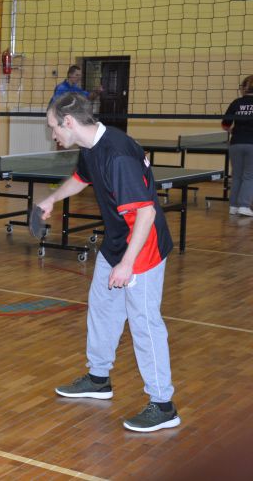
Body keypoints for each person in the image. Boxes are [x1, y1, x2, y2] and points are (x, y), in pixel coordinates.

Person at [39, 93, 180, 433]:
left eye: (53, 127)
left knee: (144, 324)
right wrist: (52, 199)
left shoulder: (117, 155)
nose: (52, 134)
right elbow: (81, 178)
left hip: (142, 247)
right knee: (102, 309)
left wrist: (127, 263)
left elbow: (146, 213)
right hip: (116, 241)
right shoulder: (91, 145)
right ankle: (98, 378)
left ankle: (163, 405)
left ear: (69, 122)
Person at [221, 75, 253, 216]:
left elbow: (225, 124)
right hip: (251, 144)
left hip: (236, 143)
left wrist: (234, 130)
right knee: (249, 176)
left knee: (237, 175)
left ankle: (233, 206)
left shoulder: (236, 102)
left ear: (244, 88)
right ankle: (244, 206)